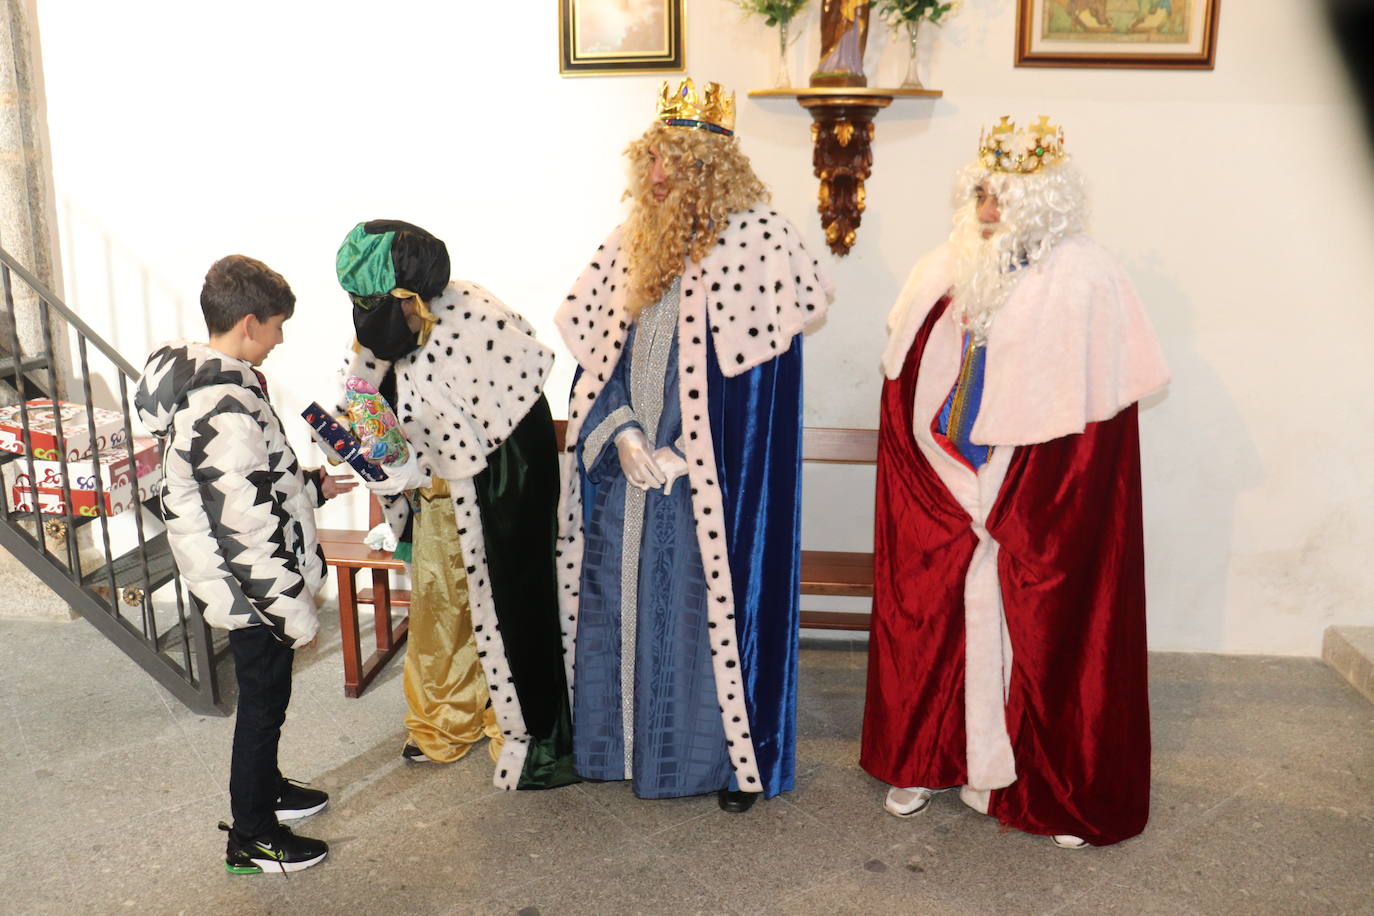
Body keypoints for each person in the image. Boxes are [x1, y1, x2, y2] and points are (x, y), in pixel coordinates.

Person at [860, 117, 1170, 847]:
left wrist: (1034, 488)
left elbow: (1098, 420)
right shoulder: (945, 262)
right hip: (944, 472)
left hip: (1038, 482)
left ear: (1043, 195)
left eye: (1003, 189)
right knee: (930, 614)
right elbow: (904, 373)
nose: (986, 201)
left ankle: (1054, 783)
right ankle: (930, 757)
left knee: (1048, 627)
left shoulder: (1088, 276)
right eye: (979, 187)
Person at [555, 78, 831, 812]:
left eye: (669, 160)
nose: (654, 176)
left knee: (697, 612)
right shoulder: (631, 243)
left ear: (709, 165)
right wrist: (619, 434)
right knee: (619, 604)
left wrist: (690, 453)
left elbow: (763, 395)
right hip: (631, 466)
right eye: (648, 159)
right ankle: (617, 750)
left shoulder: (761, 244)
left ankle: (721, 765)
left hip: (706, 481)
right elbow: (598, 363)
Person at [334, 220, 576, 790]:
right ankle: (443, 722)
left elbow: (509, 422)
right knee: (440, 608)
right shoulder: (378, 331)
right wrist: (370, 445)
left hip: (502, 483)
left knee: (511, 605)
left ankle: (519, 727)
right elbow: (362, 395)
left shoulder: (477, 316)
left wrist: (436, 455)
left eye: (373, 302)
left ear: (411, 295)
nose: (364, 318)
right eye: (357, 303)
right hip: (434, 498)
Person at [135, 254, 356, 874]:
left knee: (270, 701)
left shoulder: (211, 386)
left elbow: (249, 487)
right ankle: (252, 836)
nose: (282, 339)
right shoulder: (224, 404)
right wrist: (291, 608)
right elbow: (245, 526)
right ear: (251, 324)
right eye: (280, 326)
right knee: (262, 703)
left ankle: (269, 791)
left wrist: (311, 485)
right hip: (255, 589)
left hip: (245, 581)